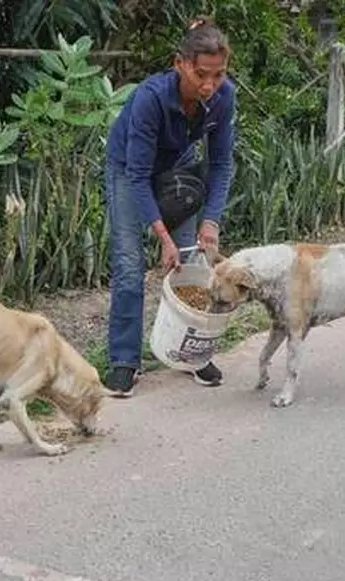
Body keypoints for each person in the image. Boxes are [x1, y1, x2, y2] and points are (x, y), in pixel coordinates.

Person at [102, 16, 237, 397]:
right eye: (200, 75)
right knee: (129, 265)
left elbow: (222, 163)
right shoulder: (150, 97)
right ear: (180, 64)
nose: (209, 85)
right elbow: (138, 173)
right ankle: (124, 360)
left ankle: (190, 354)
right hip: (128, 169)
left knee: (191, 265)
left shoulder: (223, 98)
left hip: (177, 166)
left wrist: (210, 221)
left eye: (219, 75)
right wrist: (162, 235)